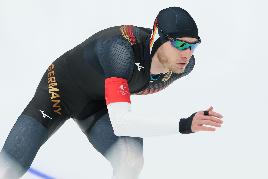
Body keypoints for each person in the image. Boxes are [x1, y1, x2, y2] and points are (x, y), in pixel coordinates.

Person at [0, 6, 224, 179]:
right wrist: (185, 125)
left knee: (131, 157)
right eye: (180, 45)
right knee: (7, 169)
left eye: (193, 45)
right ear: (158, 39)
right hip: (60, 92)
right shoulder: (120, 51)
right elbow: (122, 123)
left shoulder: (183, 67)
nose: (187, 54)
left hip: (97, 103)